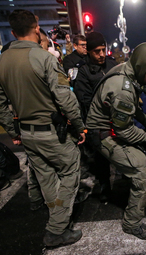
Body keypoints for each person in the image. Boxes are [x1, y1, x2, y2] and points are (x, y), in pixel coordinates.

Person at [0, 9, 86, 247]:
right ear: (36, 28)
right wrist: (79, 126)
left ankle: (57, 216)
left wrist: (14, 130)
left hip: (26, 133)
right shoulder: (44, 58)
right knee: (70, 171)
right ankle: (57, 229)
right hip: (50, 132)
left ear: (12, 31)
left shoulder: (2, 60)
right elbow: (64, 98)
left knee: (47, 178)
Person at [86, 42, 146, 240]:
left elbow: (135, 108)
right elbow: (124, 131)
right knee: (144, 175)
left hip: (107, 127)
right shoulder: (122, 88)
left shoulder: (128, 70)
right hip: (103, 134)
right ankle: (131, 223)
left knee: (139, 158)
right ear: (142, 68)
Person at [73, 31, 118, 202]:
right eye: (96, 51)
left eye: (103, 50)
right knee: (101, 159)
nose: (101, 55)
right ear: (89, 52)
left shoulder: (112, 64)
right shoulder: (83, 71)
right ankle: (105, 187)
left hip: (117, 118)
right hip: (98, 122)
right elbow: (83, 98)